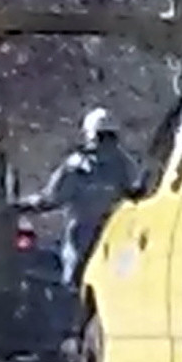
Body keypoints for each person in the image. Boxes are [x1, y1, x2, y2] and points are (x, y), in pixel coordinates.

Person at [16, 107, 140, 288]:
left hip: (84, 237)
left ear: (89, 134)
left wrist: (22, 206)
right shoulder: (126, 164)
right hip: (119, 237)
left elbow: (51, 198)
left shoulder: (77, 165)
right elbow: (139, 194)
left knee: (74, 286)